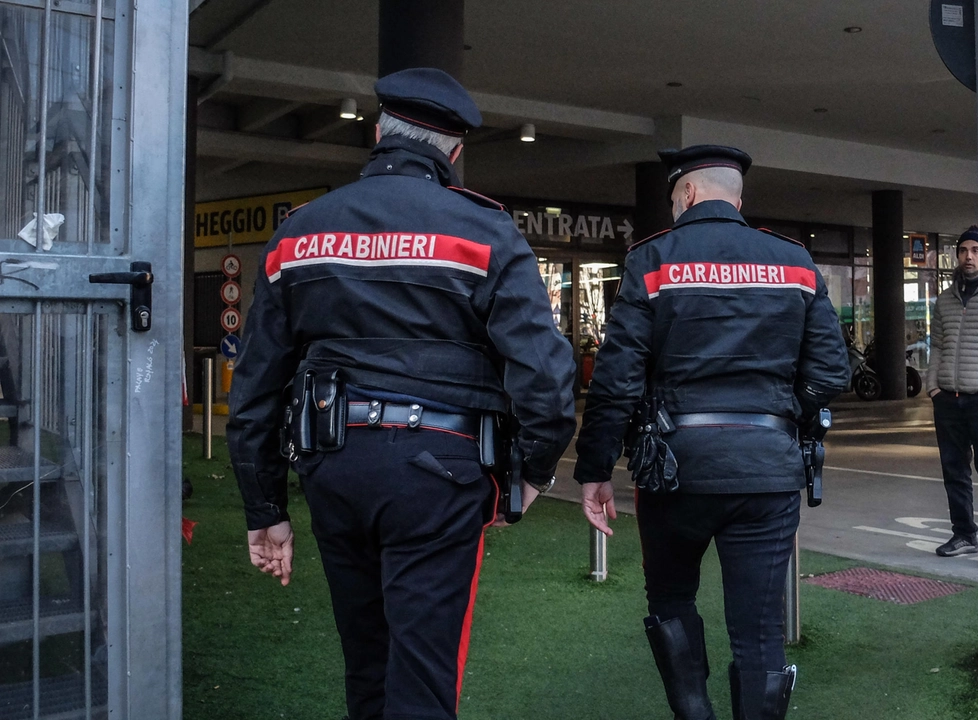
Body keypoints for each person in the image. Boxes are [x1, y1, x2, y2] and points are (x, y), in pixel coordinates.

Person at [226, 68, 577, 720]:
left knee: (367, 671)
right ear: (454, 152)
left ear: (380, 131)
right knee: (420, 680)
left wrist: (263, 506)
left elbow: (254, 386)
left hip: (332, 462)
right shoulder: (484, 232)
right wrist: (529, 476)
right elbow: (546, 376)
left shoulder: (301, 231)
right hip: (439, 473)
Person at [574, 145, 850, 720]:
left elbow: (618, 377)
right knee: (759, 628)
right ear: (738, 198)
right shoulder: (795, 262)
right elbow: (829, 372)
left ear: (689, 193)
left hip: (674, 468)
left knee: (672, 600)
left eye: (675, 198)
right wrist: (778, 417)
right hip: (768, 469)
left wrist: (595, 469)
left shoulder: (652, 260)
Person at [926, 226, 978, 559]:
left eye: (976, 250)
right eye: (964, 250)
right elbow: (936, 344)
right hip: (948, 398)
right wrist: (933, 385)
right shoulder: (945, 300)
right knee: (954, 471)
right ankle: (964, 535)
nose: (969, 257)